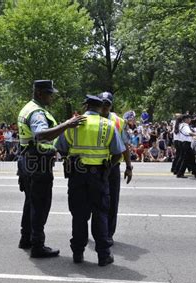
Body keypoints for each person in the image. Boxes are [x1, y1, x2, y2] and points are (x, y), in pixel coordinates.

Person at [17, 80, 85, 258]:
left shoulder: (28, 107)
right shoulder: (37, 113)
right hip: (38, 162)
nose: (52, 97)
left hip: (27, 160)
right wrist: (67, 124)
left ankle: (26, 238)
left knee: (30, 202)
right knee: (40, 205)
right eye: (49, 93)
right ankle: (37, 245)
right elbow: (41, 135)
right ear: (40, 93)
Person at [56, 95, 125, 266]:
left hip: (77, 175)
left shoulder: (74, 123)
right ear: (101, 108)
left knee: (79, 215)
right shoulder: (108, 125)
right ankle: (103, 255)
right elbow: (118, 153)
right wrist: (108, 167)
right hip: (100, 176)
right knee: (100, 214)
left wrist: (69, 160)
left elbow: (60, 147)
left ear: (86, 106)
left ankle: (78, 254)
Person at [98, 92, 133, 245]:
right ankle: (97, 231)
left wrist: (129, 166)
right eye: (102, 104)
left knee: (112, 202)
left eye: (108, 104)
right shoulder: (90, 118)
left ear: (111, 105)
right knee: (95, 201)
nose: (105, 107)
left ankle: (108, 234)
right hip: (95, 167)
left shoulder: (119, 122)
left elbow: (125, 145)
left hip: (112, 167)